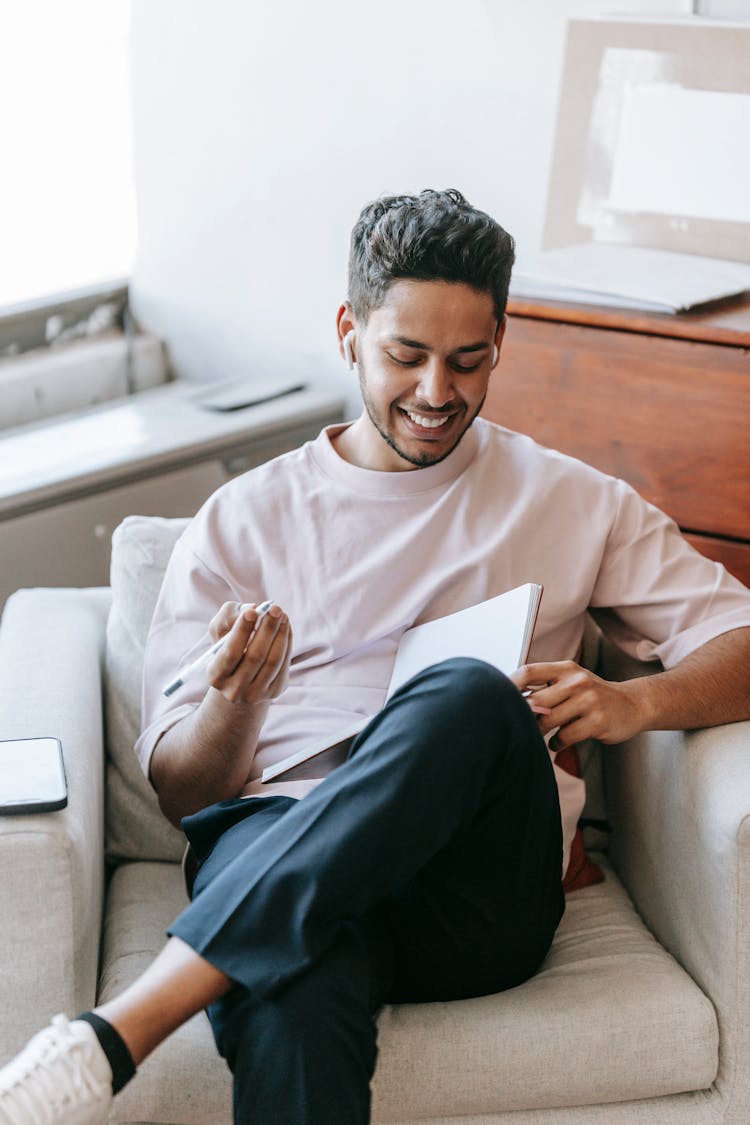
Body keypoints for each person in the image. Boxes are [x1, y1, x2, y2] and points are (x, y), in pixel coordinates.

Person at [2, 189, 750, 1125]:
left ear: (500, 344)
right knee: (293, 993)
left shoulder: (572, 500)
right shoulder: (244, 521)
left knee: (470, 695)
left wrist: (638, 704)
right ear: (350, 331)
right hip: (277, 833)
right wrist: (238, 704)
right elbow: (187, 797)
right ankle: (225, 963)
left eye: (468, 360)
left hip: (474, 893)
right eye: (407, 355)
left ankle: (130, 1023)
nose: (438, 392)